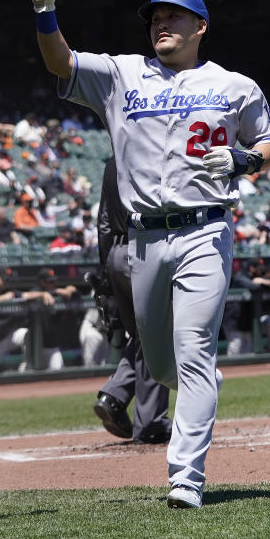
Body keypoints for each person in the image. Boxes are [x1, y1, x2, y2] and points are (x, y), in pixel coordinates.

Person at [27, 0, 270, 509]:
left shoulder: (234, 85)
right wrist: (45, 9)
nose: (160, 23)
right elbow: (60, 62)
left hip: (204, 232)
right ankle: (191, 390)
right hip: (141, 239)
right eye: (154, 17)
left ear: (200, 26)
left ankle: (185, 478)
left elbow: (268, 141)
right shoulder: (122, 74)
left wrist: (243, 161)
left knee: (192, 356)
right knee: (162, 364)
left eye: (172, 15)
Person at [92, 157, 172, 444]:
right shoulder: (153, 152)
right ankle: (150, 422)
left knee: (142, 336)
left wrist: (105, 274)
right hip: (145, 250)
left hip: (116, 253)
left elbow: (103, 221)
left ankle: (114, 395)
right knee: (157, 334)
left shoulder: (114, 161)